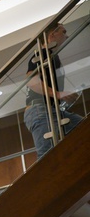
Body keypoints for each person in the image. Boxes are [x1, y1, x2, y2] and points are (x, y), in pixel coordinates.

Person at [24, 21, 83, 160]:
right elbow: (31, 80)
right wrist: (57, 94)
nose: (66, 36)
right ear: (52, 34)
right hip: (40, 110)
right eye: (63, 32)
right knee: (47, 158)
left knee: (83, 128)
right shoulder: (42, 53)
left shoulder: (51, 56)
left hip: (51, 110)